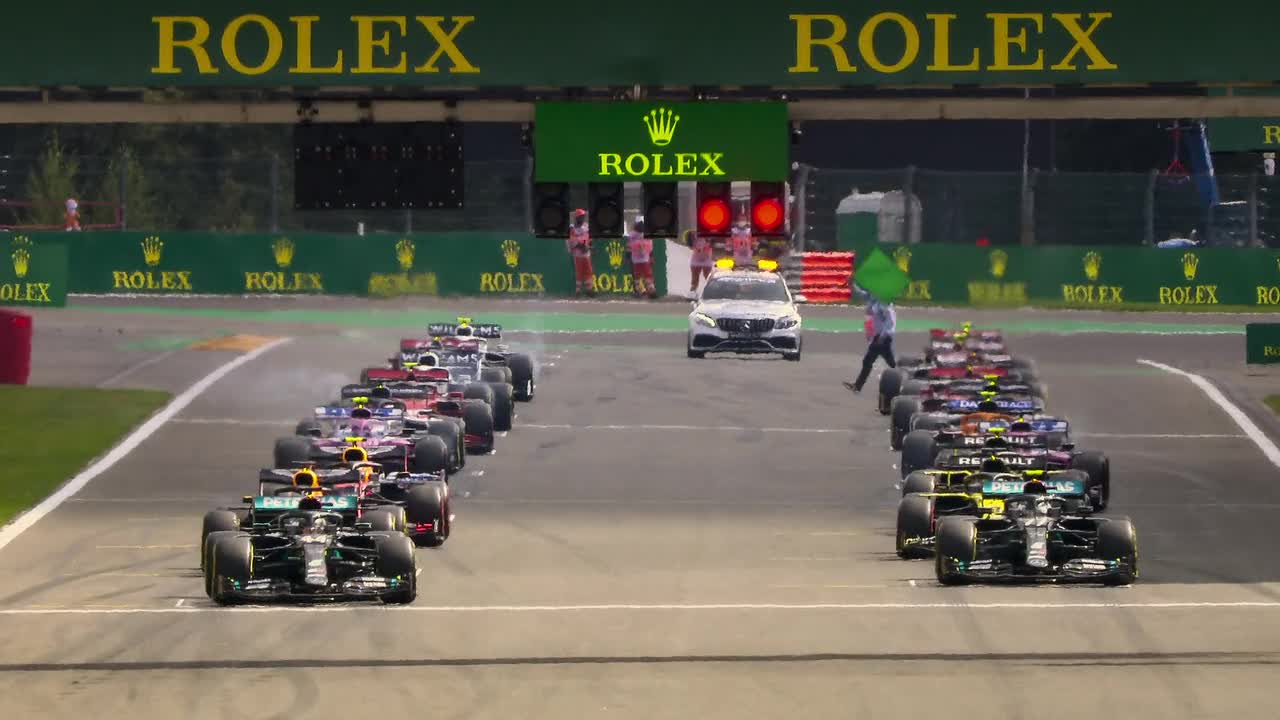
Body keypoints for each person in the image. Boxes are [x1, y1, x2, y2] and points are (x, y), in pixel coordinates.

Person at [844, 286, 896, 393]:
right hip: (879, 337)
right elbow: (862, 294)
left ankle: (857, 386)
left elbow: (889, 321)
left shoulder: (884, 305)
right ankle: (901, 373)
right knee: (890, 361)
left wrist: (882, 336)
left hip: (882, 338)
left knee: (868, 361)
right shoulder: (874, 299)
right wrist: (852, 284)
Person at [567, 208, 595, 297]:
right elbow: (572, 240)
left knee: (588, 271)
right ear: (577, 217)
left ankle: (589, 290)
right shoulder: (572, 228)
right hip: (578, 254)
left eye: (583, 216)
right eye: (581, 216)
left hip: (586, 253)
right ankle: (578, 291)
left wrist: (589, 246)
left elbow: (589, 238)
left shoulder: (586, 226)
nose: (582, 218)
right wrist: (581, 246)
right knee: (579, 272)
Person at [627, 218, 657, 298]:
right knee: (648, 276)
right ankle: (651, 291)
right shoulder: (646, 237)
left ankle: (638, 291)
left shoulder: (632, 237)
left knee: (637, 276)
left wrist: (628, 256)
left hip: (636, 260)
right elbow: (650, 248)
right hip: (645, 260)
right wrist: (651, 256)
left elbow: (629, 248)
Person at [688, 229, 713, 295]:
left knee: (708, 277)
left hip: (706, 260)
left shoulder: (708, 237)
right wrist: (691, 235)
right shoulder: (693, 236)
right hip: (696, 260)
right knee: (695, 279)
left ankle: (712, 292)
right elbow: (690, 245)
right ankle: (692, 292)